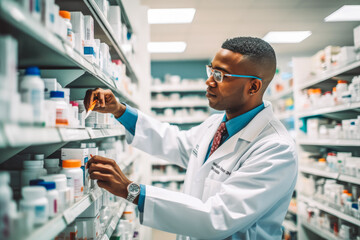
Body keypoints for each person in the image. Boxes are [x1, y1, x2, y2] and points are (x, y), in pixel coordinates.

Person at [85, 37, 297, 240]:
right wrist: (120, 110)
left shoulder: (276, 149)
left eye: (221, 75)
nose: (209, 81)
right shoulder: (216, 124)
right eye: (211, 71)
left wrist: (131, 191)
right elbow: (176, 143)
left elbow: (218, 217)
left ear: (253, 87)